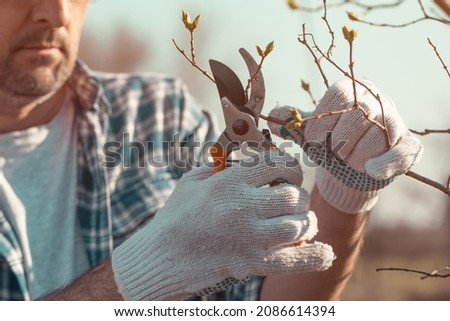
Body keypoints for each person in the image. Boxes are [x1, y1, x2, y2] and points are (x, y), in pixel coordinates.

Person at [0, 1, 423, 301]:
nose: (56, 13)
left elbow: (272, 305)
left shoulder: (158, 112)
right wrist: (130, 279)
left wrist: (345, 192)